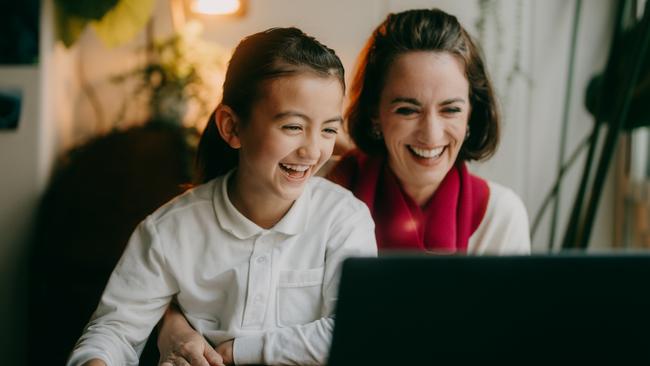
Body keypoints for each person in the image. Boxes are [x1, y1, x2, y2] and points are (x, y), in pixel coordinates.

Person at [156, 7, 531, 365]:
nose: (431, 133)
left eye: (451, 109)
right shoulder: (309, 180)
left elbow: (506, 345)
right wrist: (174, 328)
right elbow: (201, 274)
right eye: (407, 109)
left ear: (472, 114)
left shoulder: (500, 215)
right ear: (374, 115)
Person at [66, 27, 377, 366]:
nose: (312, 150)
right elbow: (115, 329)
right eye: (292, 126)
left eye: (328, 129)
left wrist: (235, 352)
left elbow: (354, 331)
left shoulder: (344, 219)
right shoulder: (169, 229)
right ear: (232, 127)